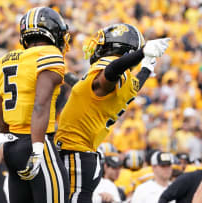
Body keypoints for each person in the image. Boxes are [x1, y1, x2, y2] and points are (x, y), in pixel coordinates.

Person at [54, 23, 170, 203]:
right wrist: (146, 68)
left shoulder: (110, 72)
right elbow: (132, 84)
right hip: (80, 154)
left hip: (76, 153)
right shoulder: (126, 82)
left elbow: (111, 71)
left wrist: (142, 53)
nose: (97, 47)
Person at [0, 6, 70, 203]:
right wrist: (37, 148)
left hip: (12, 146)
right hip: (37, 141)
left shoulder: (3, 61)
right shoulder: (49, 54)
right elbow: (40, 104)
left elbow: (0, 119)